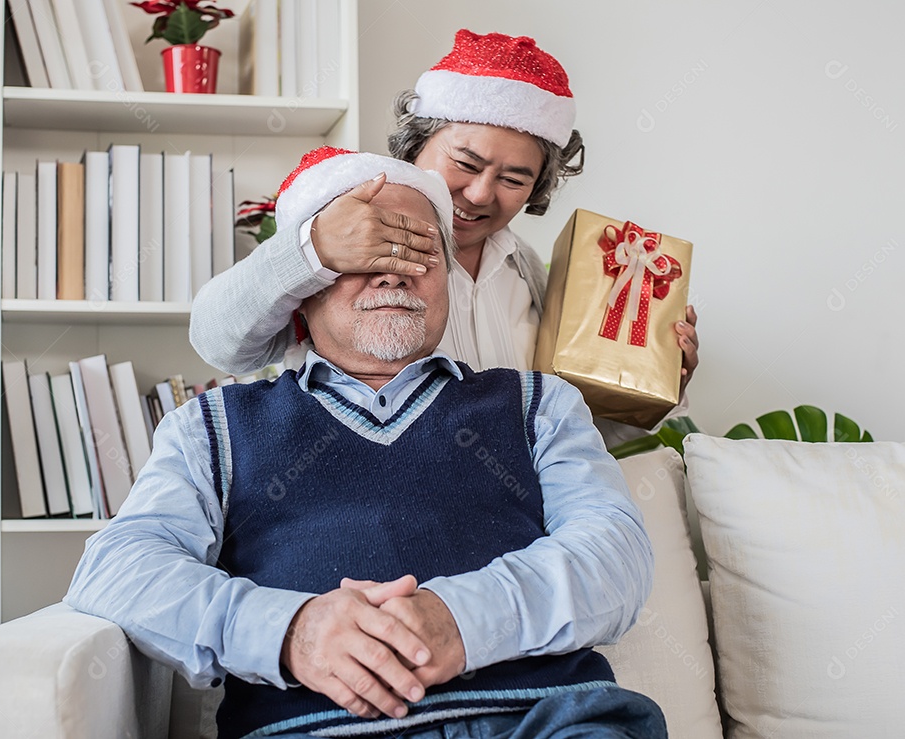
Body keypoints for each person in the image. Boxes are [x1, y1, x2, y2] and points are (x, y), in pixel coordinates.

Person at [65, 148, 665, 738]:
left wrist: (460, 619)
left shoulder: (540, 404)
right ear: (304, 284)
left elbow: (615, 556)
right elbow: (116, 569)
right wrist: (292, 630)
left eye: (419, 248)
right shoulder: (212, 427)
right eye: (366, 249)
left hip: (549, 720)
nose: (394, 268)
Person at [188, 29, 699, 440]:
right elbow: (219, 344)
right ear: (415, 146)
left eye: (514, 179)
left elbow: (559, 434)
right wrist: (313, 250)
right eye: (465, 162)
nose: (479, 194)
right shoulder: (344, 231)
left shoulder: (531, 271)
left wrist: (648, 385)